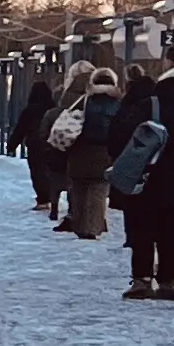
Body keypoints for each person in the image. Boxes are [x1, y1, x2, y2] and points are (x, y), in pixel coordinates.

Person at [119, 59, 174, 299]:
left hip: (147, 178)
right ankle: (168, 278)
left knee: (142, 229)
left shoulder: (150, 106)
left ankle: (142, 279)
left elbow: (123, 135)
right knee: (172, 230)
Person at [62, 68, 126, 239]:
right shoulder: (118, 103)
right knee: (98, 190)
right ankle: (93, 227)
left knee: (80, 189)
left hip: (80, 151)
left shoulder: (84, 100)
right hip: (104, 151)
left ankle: (80, 224)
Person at [17, 70, 62, 217]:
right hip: (51, 144)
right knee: (51, 172)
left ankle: (43, 199)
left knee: (37, 172)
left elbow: (20, 128)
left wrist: (12, 145)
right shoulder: (53, 108)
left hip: (34, 145)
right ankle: (51, 197)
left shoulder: (29, 110)